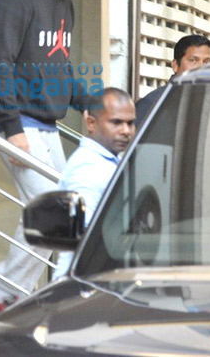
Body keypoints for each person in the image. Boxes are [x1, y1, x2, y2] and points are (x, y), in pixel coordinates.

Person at [0, 0, 94, 330]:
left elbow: (59, 67)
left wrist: (92, 104)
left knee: (64, 221)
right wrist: (11, 127)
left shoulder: (64, 7)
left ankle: (4, 299)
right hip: (18, 122)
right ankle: (3, 297)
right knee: (56, 217)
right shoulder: (15, 1)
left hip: (47, 125)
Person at [53, 88, 136, 279]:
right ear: (91, 123)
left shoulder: (109, 161)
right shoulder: (88, 168)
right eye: (116, 122)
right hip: (83, 286)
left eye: (130, 123)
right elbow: (86, 238)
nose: (126, 130)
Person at [135, 34, 210, 127]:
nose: (201, 67)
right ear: (175, 65)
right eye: (192, 60)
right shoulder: (153, 104)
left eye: (207, 62)